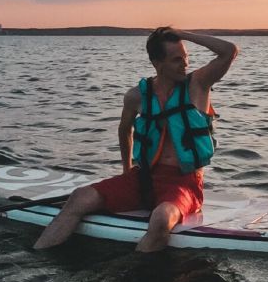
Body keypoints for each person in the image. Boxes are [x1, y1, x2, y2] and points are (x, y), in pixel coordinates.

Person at [34, 27, 238, 252]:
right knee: (79, 197)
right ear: (157, 63)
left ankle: (134, 277)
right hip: (142, 178)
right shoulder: (136, 96)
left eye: (186, 58)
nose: (185, 64)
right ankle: (36, 257)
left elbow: (228, 51)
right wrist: (126, 170)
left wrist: (183, 34)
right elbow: (125, 130)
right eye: (177, 59)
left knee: (161, 219)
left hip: (183, 183)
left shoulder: (198, 85)